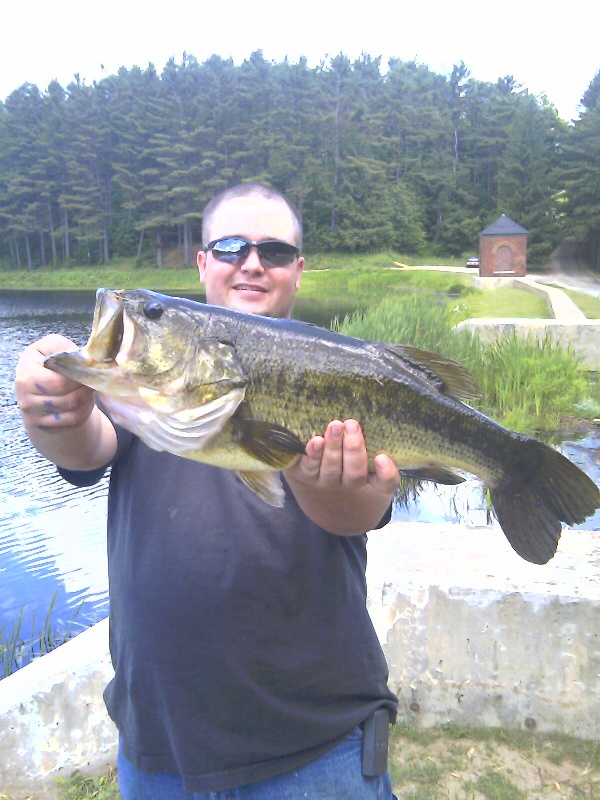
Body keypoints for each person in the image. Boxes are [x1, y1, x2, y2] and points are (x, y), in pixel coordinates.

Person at [15, 183, 400, 799]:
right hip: (160, 744)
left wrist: (316, 481)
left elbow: (358, 513)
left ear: (298, 271)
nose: (252, 262)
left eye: (274, 251)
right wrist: (50, 409)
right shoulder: (144, 388)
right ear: (203, 263)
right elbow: (83, 444)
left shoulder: (336, 368)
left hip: (315, 742)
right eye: (230, 246)